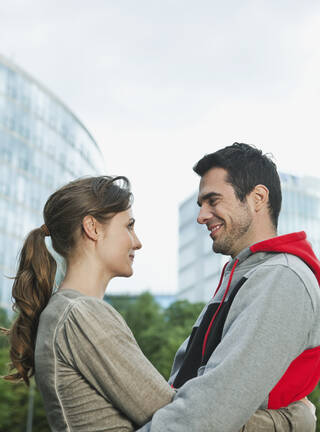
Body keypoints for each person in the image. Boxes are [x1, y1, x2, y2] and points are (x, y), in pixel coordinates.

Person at [1, 175, 316, 431]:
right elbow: (183, 415)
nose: (137, 241)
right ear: (92, 228)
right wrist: (290, 422)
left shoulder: (69, 312)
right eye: (128, 226)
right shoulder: (80, 315)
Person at [137, 143, 320, 432]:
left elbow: (213, 408)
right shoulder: (243, 274)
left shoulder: (282, 277)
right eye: (201, 204)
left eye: (213, 200)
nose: (201, 216)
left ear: (258, 198)